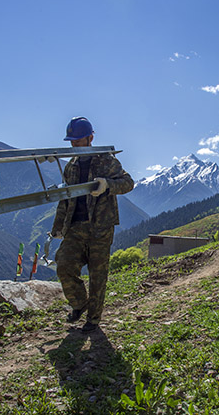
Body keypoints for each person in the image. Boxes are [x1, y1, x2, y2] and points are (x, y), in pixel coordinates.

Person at [51, 117, 134, 333]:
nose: (74, 145)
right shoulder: (71, 167)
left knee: (98, 274)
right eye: (72, 141)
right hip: (75, 226)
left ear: (90, 138)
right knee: (64, 266)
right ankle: (80, 303)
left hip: (101, 226)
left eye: (78, 140)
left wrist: (108, 185)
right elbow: (65, 197)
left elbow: (128, 183)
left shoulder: (106, 161)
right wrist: (58, 227)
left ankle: (93, 319)